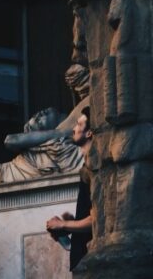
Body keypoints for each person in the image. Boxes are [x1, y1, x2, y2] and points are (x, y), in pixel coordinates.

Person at [45, 107, 93, 272]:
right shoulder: (87, 167)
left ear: (89, 133)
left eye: (79, 124)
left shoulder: (95, 168)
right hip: (82, 258)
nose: (74, 128)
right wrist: (69, 223)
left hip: (89, 260)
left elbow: (97, 219)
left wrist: (63, 224)